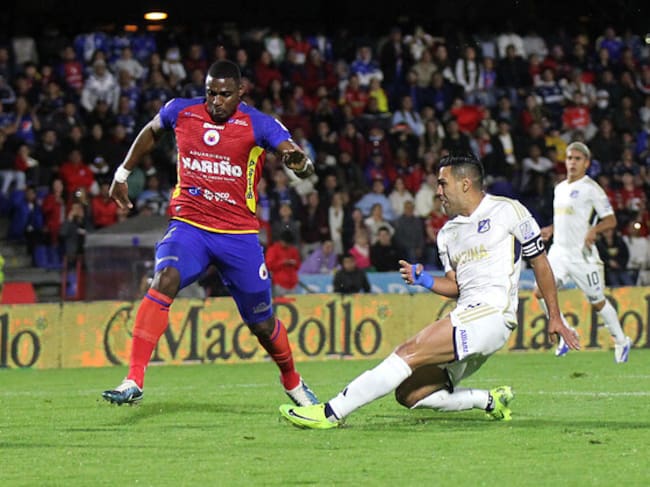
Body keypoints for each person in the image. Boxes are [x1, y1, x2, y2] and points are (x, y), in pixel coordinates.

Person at [279, 152, 579, 429]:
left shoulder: (509, 210)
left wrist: (555, 316)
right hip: (469, 314)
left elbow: (540, 262)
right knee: (410, 394)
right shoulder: (447, 234)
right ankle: (489, 400)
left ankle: (330, 413)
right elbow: (456, 286)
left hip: (492, 315)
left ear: (465, 183)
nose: (438, 191)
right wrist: (424, 280)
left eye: (442, 183)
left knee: (408, 351)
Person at [102, 60, 319, 407]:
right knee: (165, 278)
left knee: (262, 325)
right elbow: (151, 131)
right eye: (211, 93)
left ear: (241, 91)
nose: (216, 101)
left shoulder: (259, 123)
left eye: (224, 94)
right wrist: (122, 174)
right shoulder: (181, 111)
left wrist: (301, 165)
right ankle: (133, 379)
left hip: (238, 236)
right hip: (190, 227)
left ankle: (292, 381)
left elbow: (297, 159)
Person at [533, 141, 632, 363]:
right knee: (540, 292)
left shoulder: (592, 189)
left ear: (586, 163)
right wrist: (551, 229)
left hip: (581, 255)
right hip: (559, 252)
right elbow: (567, 220)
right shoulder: (559, 188)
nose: (572, 162)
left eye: (577, 159)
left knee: (597, 302)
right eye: (569, 158)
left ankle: (621, 340)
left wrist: (594, 230)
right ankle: (565, 332)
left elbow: (611, 220)